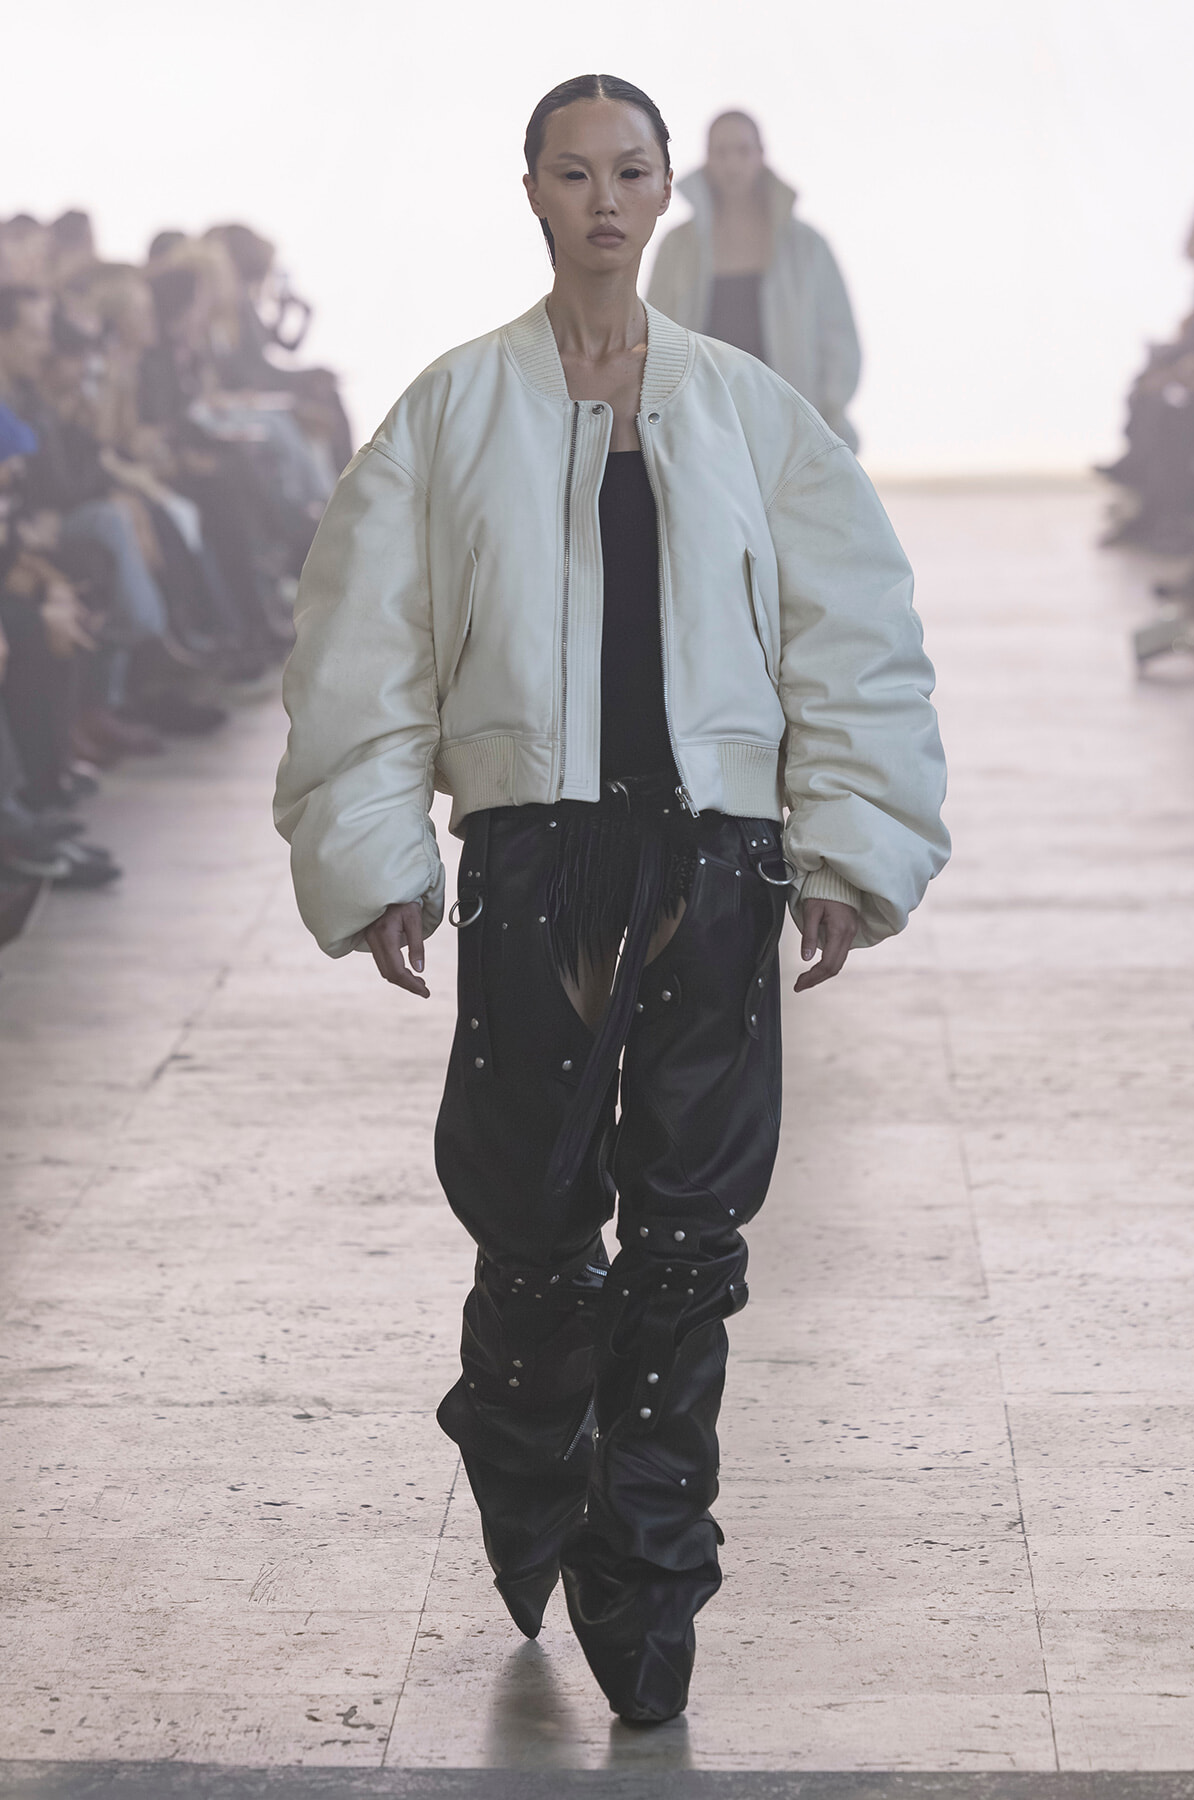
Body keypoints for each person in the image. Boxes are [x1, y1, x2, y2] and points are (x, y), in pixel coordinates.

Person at [275, 73, 948, 1726]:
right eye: (572, 172)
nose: (602, 200)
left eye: (628, 171)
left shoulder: (751, 414)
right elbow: (363, 649)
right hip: (533, 859)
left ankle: (647, 1567)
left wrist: (848, 844)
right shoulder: (452, 412)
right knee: (530, 1222)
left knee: (692, 1232)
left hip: (715, 856)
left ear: (665, 195)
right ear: (532, 190)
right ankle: (523, 1452)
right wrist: (377, 856)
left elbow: (854, 635)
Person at [647, 109, 862, 449]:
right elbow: (653, 336)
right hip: (700, 433)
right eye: (721, 152)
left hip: (792, 433)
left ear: (761, 155)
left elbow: (840, 340)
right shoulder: (678, 247)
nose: (732, 163)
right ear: (707, 159)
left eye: (743, 150)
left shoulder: (806, 246)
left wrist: (823, 417)